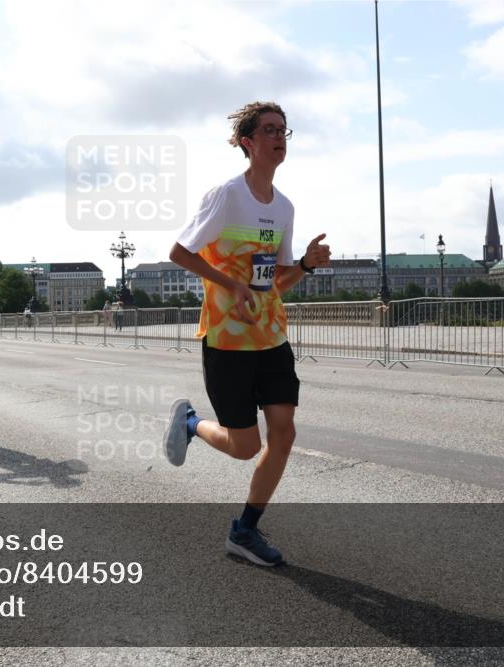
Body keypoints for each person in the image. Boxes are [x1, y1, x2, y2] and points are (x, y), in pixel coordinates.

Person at [164, 101, 331, 567]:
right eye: (269, 130)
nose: (279, 137)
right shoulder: (226, 196)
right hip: (228, 340)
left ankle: (245, 529)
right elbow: (179, 252)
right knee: (245, 447)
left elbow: (274, 282)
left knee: (284, 433)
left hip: (272, 337)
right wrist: (230, 283)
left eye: (284, 130)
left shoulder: (284, 207)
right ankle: (190, 423)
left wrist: (304, 265)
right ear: (247, 142)